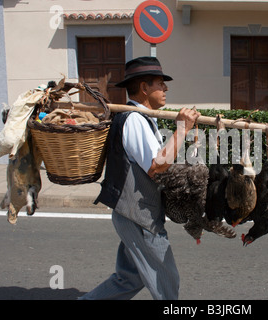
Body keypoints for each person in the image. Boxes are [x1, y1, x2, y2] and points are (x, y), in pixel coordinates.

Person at [79, 56, 200, 300]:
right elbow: (156, 166)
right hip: (138, 216)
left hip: (134, 213)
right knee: (166, 280)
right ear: (144, 88)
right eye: (159, 83)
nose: (165, 89)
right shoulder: (134, 119)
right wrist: (182, 130)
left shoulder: (143, 118)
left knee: (129, 278)